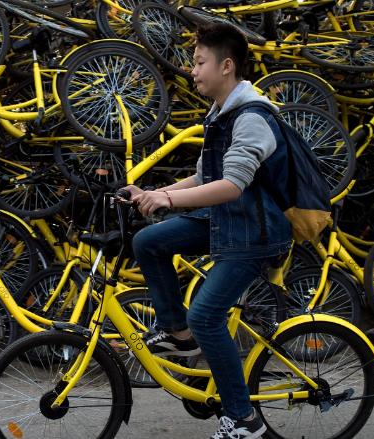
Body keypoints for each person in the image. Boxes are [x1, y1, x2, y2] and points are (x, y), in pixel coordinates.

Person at [121, 22, 293, 439]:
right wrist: (153, 192)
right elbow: (204, 177)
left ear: (227, 66)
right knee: (149, 241)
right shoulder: (221, 114)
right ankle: (180, 336)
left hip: (256, 235)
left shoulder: (252, 118)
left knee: (207, 314)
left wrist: (169, 201)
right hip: (227, 222)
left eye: (199, 62)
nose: (192, 70)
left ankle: (244, 420)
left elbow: (232, 185)